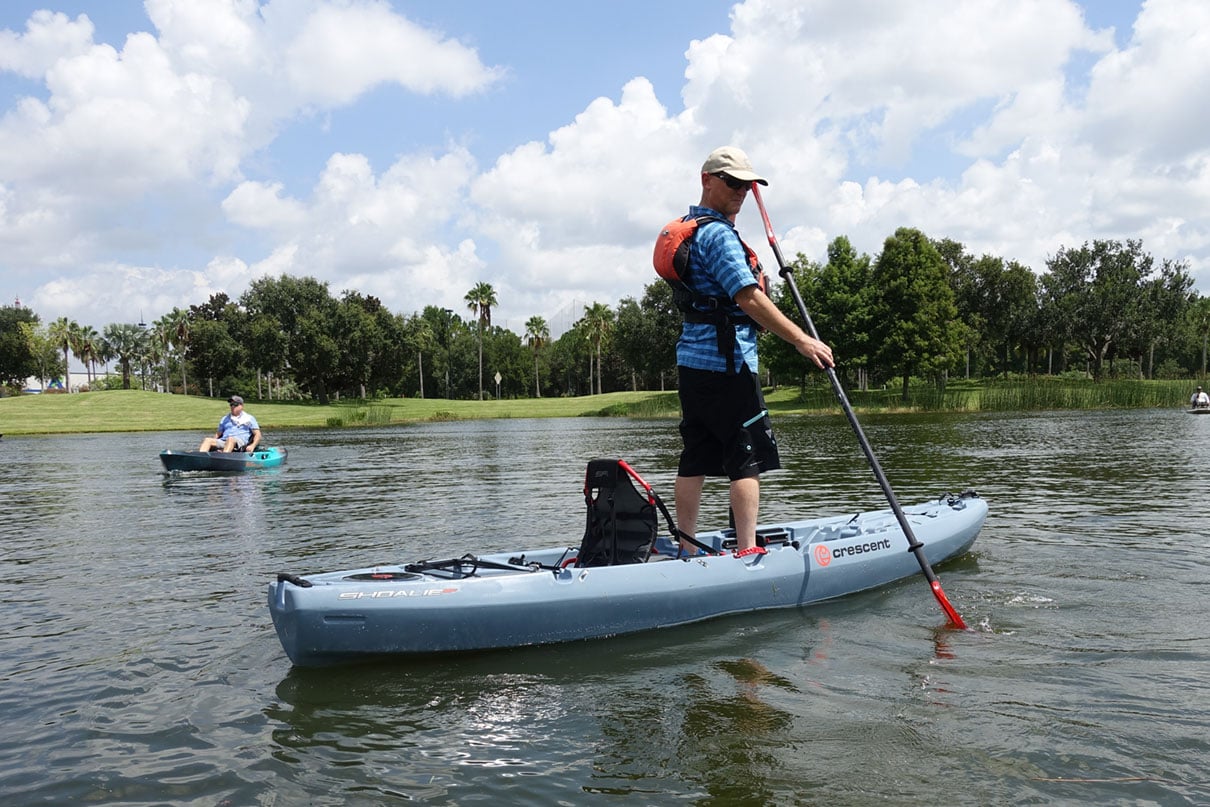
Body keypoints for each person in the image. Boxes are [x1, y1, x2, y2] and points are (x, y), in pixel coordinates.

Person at [672, 146, 834, 557]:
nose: (741, 190)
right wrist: (801, 339)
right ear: (707, 179)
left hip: (692, 363)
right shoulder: (718, 236)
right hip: (730, 365)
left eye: (746, 184)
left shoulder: (691, 228)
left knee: (695, 455)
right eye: (732, 181)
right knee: (745, 457)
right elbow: (748, 298)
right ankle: (747, 551)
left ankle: (687, 549)